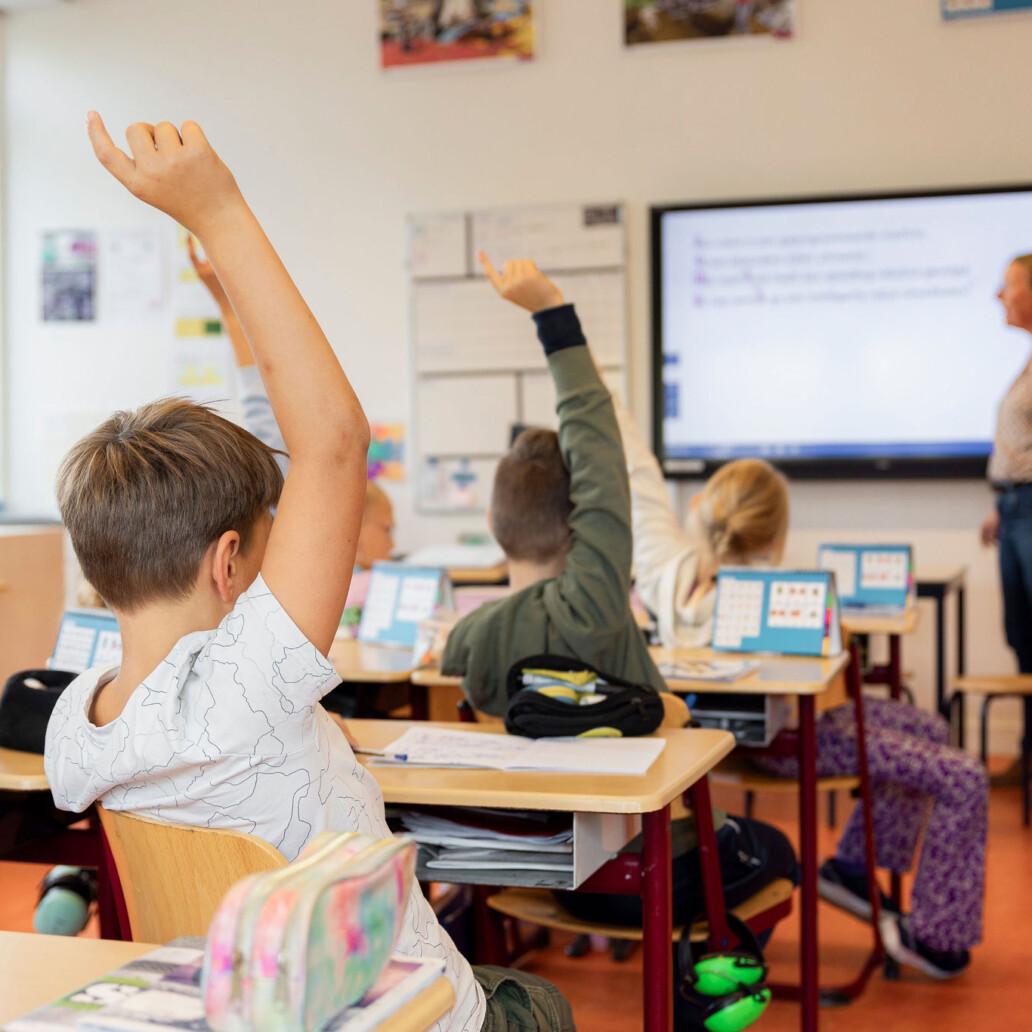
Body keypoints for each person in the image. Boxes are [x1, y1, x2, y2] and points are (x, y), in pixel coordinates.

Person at [44, 114, 574, 1032]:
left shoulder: (76, 728)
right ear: (230, 563)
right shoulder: (246, 688)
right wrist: (218, 210)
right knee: (541, 1002)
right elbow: (330, 441)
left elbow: (293, 448)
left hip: (248, 1009)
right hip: (393, 1015)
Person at [440, 253, 797, 957]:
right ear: (586, 527)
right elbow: (600, 455)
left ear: (494, 524)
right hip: (647, 870)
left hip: (547, 873)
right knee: (778, 851)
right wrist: (552, 315)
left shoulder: (467, 644)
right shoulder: (592, 604)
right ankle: (699, 987)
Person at [614, 401, 988, 980]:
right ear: (776, 533)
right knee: (964, 776)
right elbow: (832, 692)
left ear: (700, 508)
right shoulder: (782, 597)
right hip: (791, 743)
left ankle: (854, 869)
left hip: (721, 741)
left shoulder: (667, 573)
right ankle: (937, 939)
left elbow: (641, 480)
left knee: (930, 729)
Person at [981, 253, 1032, 787]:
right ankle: (1029, 755)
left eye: (1009, 285)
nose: (999, 295)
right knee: (1023, 637)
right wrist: (1002, 504)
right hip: (1017, 509)